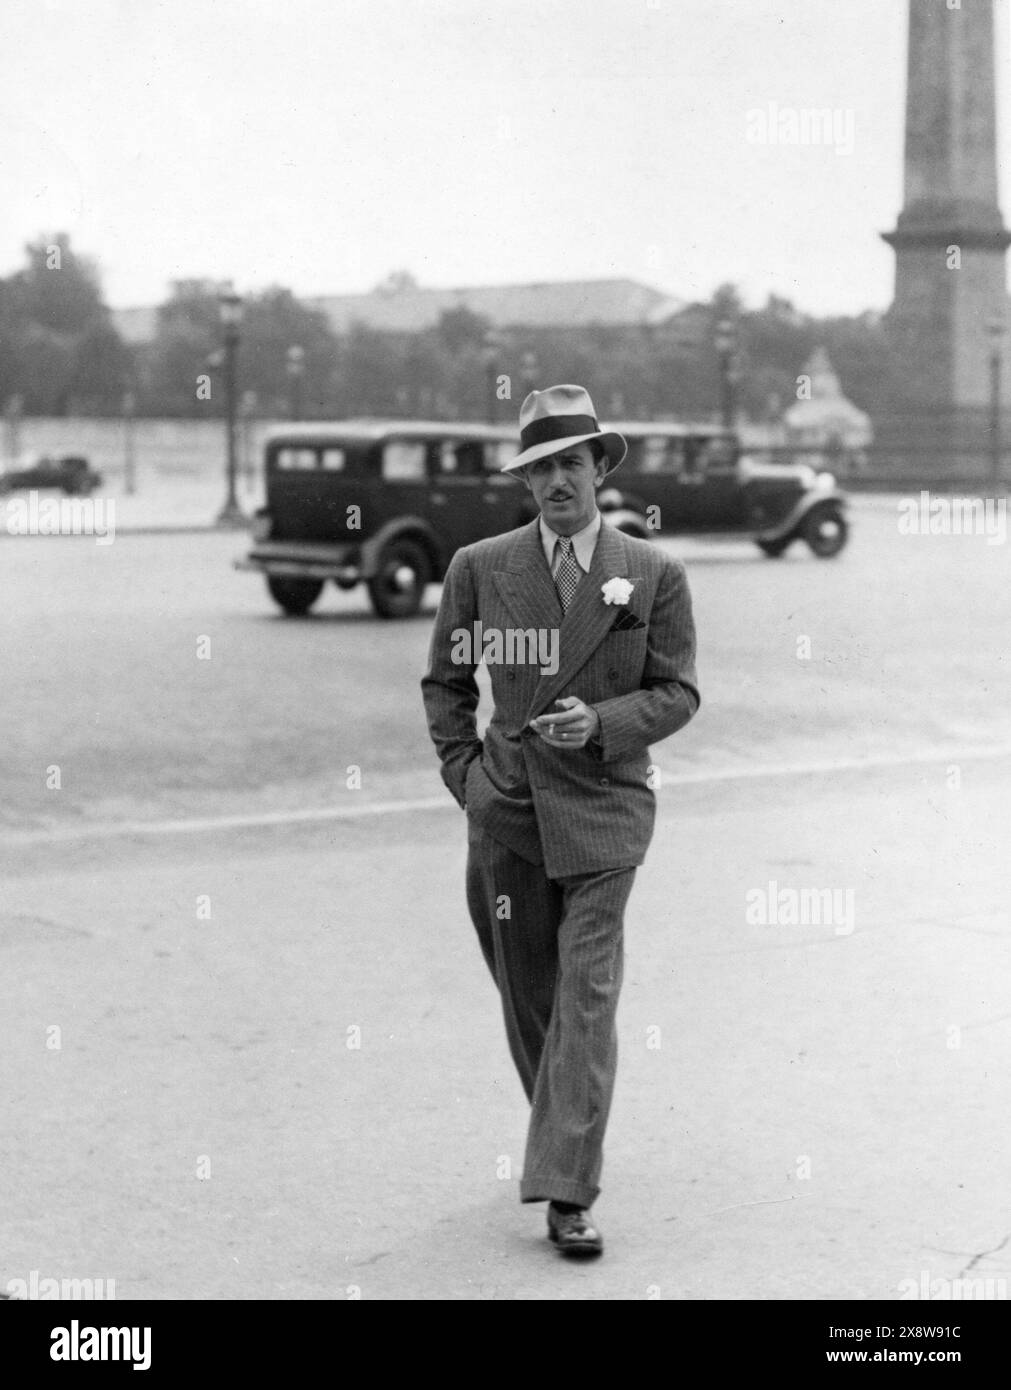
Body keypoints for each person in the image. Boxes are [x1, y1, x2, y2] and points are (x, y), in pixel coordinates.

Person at [421, 384, 700, 1257]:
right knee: (531, 998)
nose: (555, 484)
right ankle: (565, 1139)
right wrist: (467, 779)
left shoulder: (652, 574)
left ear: (598, 469)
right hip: (504, 812)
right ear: (526, 482)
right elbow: (447, 684)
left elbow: (678, 691)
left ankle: (566, 1192)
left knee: (585, 998)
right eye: (538, 469)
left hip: (606, 812)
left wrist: (605, 725)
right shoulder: (480, 567)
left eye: (569, 464)